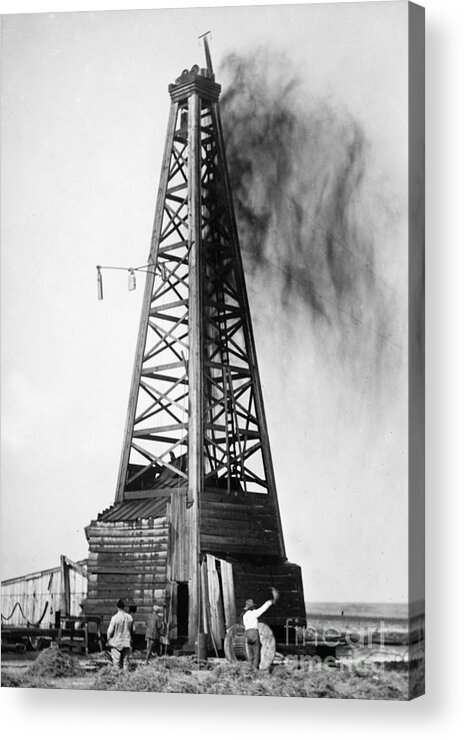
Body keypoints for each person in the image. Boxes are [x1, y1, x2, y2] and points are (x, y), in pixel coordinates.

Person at [242, 587, 279, 669]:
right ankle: (255, 669)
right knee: (256, 652)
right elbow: (262, 609)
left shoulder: (244, 616)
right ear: (252, 607)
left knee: (250, 653)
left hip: (247, 634)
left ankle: (250, 668)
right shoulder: (254, 613)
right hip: (253, 633)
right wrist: (269, 602)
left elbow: (245, 625)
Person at [106, 599, 133, 671]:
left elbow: (109, 631)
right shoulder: (129, 617)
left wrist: (108, 639)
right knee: (126, 663)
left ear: (117, 607)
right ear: (124, 607)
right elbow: (134, 629)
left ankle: (117, 677)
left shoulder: (114, 618)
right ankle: (125, 678)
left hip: (116, 642)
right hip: (126, 642)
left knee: (116, 662)